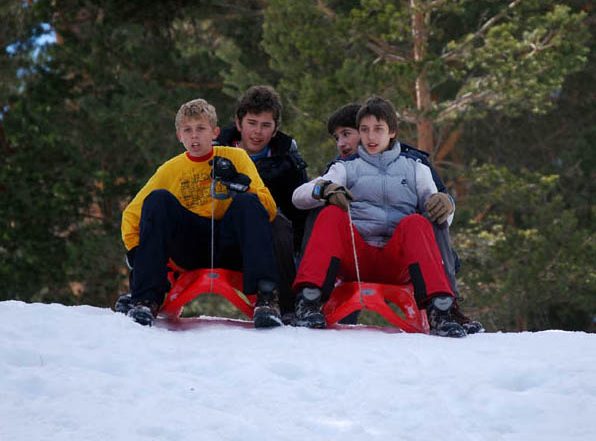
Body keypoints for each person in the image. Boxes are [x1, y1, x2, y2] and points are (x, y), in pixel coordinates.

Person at [291, 96, 468, 337]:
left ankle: (440, 310)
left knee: (416, 222)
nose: (371, 137)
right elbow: (298, 197)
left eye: (378, 129)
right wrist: (324, 189)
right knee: (331, 214)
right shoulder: (346, 167)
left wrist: (446, 205)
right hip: (357, 256)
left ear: (392, 131)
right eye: (364, 130)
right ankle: (308, 300)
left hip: (397, 260)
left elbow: (440, 222)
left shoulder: (415, 167)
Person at [119, 98, 283, 328]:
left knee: (248, 202)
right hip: (189, 247)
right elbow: (132, 214)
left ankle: (266, 298)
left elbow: (269, 208)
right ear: (179, 135)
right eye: (188, 130)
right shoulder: (170, 169)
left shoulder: (236, 157)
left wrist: (241, 186)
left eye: (201, 129)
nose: (194, 136)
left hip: (230, 244)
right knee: (157, 200)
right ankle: (146, 299)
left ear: (214, 132)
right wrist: (136, 250)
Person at [215, 85, 308, 319]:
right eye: (252, 123)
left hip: (270, 244)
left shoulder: (287, 161)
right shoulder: (215, 152)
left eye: (266, 125)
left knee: (278, 222)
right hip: (222, 235)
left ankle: (285, 306)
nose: (258, 132)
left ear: (275, 129)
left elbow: (299, 216)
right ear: (239, 123)